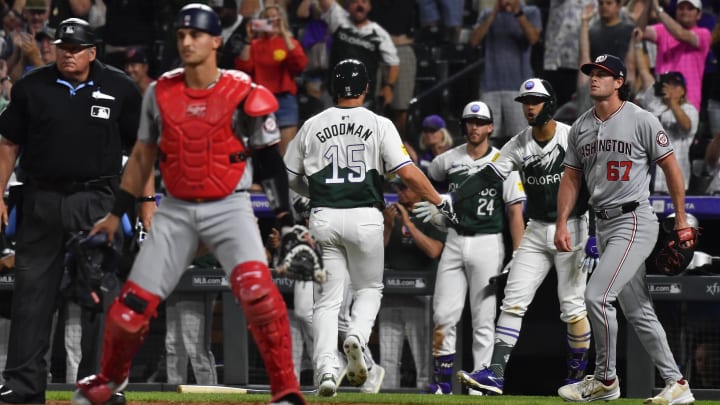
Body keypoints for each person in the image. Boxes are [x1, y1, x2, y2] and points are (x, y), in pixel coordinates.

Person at [71, 5, 304, 405]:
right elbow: (142, 157)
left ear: (216, 40)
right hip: (175, 207)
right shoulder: (159, 92)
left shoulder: (243, 90)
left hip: (230, 206)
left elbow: (268, 162)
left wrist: (284, 219)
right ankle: (109, 383)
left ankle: (286, 390)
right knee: (130, 309)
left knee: (258, 294)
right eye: (181, 35)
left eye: (195, 35)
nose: (187, 42)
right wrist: (115, 214)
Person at [283, 58, 451, 397]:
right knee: (369, 289)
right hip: (365, 217)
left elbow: (289, 175)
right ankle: (357, 336)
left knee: (328, 301)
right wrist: (437, 198)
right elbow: (407, 172)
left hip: (324, 217)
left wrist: (314, 193)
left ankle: (327, 371)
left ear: (333, 87)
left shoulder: (313, 123)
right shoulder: (379, 123)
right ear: (365, 88)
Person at [0, 17, 146, 404]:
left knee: (99, 291)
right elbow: (8, 144)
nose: (67, 53)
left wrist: (146, 203)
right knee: (31, 293)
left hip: (96, 197)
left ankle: (101, 382)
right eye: (62, 47)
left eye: (75, 48)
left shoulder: (120, 87)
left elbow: (142, 149)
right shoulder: (32, 86)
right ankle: (22, 384)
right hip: (40, 198)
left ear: (92, 51)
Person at [554, 53, 695, 404]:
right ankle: (678, 384)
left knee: (596, 297)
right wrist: (561, 222)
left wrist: (680, 218)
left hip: (634, 219)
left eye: (603, 74)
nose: (594, 78)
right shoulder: (581, 127)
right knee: (638, 311)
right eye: (591, 73)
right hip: (602, 224)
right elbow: (571, 177)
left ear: (619, 82)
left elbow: (671, 167)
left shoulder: (640, 119)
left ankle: (605, 379)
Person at [453, 79, 592, 395]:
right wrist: (453, 197)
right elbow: (488, 176)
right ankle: (497, 373)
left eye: (536, 100)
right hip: (536, 227)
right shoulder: (518, 143)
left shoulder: (571, 137)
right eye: (526, 101)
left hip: (573, 225)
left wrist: (594, 233)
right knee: (512, 301)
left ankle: (576, 377)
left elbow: (593, 185)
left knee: (572, 306)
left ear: (550, 103)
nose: (529, 107)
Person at [416, 100, 526, 395]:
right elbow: (427, 181)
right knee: (443, 314)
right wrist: (436, 208)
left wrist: (518, 253)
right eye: (470, 121)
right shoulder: (447, 160)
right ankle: (442, 384)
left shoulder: (504, 161)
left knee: (483, 318)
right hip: (454, 239)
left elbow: (515, 210)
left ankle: (480, 385)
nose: (474, 127)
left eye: (480, 122)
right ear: (464, 126)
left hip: (488, 242)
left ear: (491, 127)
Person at [380, 176, 446, 390]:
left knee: (423, 357)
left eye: (405, 187)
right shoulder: (390, 215)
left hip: (421, 294)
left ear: (418, 189)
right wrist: (389, 227)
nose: (400, 192)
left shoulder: (430, 214)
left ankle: (425, 397)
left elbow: (434, 250)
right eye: (398, 188)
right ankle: (385, 400)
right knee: (388, 358)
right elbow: (376, 254)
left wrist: (409, 224)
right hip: (391, 292)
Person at [235, 4, 307, 154]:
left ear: (282, 20)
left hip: (285, 101)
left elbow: (299, 65)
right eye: (267, 18)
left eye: (275, 17)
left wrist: (285, 34)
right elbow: (244, 69)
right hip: (260, 102)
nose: (272, 21)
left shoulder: (290, 43)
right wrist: (247, 39)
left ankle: (287, 179)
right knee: (263, 152)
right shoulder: (254, 45)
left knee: (287, 154)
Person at [469, 0, 542, 146]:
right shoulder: (487, 14)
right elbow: (474, 41)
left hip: (519, 88)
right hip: (490, 87)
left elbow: (533, 38)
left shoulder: (530, 12)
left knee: (522, 141)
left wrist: (517, 13)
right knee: (487, 140)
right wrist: (493, 14)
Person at [632, 32, 698, 194]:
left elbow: (686, 126)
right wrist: (638, 45)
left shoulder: (689, 109)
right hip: (648, 181)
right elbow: (644, 71)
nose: (669, 87)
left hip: (674, 183)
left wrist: (672, 103)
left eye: (674, 85)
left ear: (682, 90)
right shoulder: (653, 104)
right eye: (667, 84)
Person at [317, 0, 399, 112]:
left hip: (363, 99)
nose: (360, 5)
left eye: (364, 2)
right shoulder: (340, 20)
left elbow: (393, 63)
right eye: (355, 2)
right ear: (348, 6)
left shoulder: (379, 33)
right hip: (333, 95)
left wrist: (389, 86)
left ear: (369, 7)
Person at [639, 0, 711, 111]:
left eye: (690, 8)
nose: (685, 12)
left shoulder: (704, 34)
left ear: (699, 14)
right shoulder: (663, 30)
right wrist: (649, 4)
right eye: (681, 8)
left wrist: (658, 10)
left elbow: (680, 34)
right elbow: (638, 31)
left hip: (687, 102)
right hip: (660, 100)